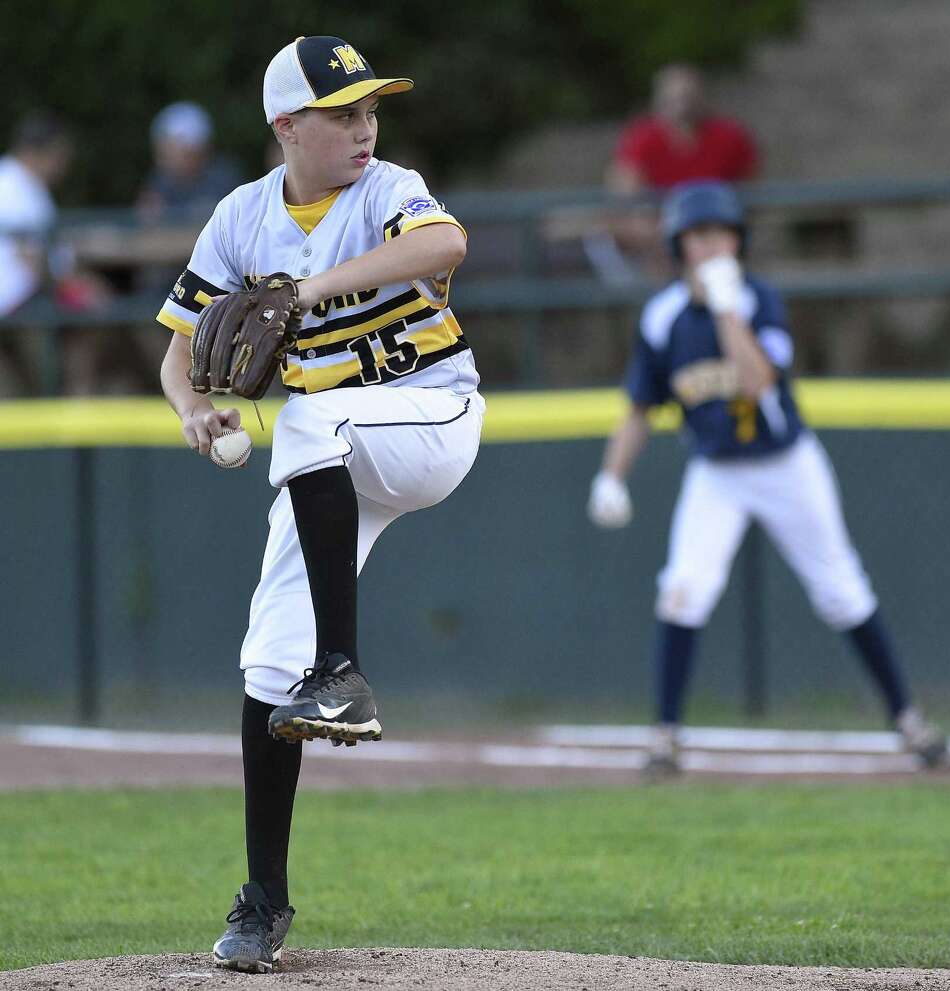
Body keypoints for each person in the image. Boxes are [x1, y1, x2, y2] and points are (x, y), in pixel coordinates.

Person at [157, 36, 483, 973]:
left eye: (370, 109)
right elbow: (182, 347)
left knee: (308, 421)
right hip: (334, 463)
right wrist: (194, 408)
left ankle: (343, 666)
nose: (365, 127)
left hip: (430, 419)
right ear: (286, 126)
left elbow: (445, 242)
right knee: (266, 663)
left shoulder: (387, 188)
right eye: (344, 113)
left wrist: (304, 291)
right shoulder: (239, 217)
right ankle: (263, 900)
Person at [586, 181, 950, 778]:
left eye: (722, 234)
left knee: (842, 591)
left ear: (740, 241)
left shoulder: (760, 301)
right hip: (717, 472)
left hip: (787, 465)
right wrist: (612, 476)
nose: (711, 247)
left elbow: (758, 382)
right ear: (680, 247)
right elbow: (638, 408)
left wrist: (729, 310)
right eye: (698, 237)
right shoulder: (664, 317)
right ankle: (665, 736)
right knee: (684, 588)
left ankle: (910, 722)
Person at [0, 113, 75, 393]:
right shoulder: (11, 185)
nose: (63, 164)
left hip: (22, 299)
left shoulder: (24, 182)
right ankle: (72, 403)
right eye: (59, 155)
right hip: (17, 301)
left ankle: (76, 400)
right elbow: (31, 260)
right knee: (98, 315)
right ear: (37, 152)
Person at [607, 64, 758, 196]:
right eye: (673, 100)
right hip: (658, 222)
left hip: (717, 220)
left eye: (688, 98)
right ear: (658, 101)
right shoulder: (641, 138)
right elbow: (625, 194)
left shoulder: (730, 136)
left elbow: (753, 190)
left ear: (702, 97)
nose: (682, 107)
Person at [137, 102, 242, 223]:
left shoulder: (224, 179)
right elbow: (146, 224)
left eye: (170, 147)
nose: (161, 158)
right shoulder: (161, 180)